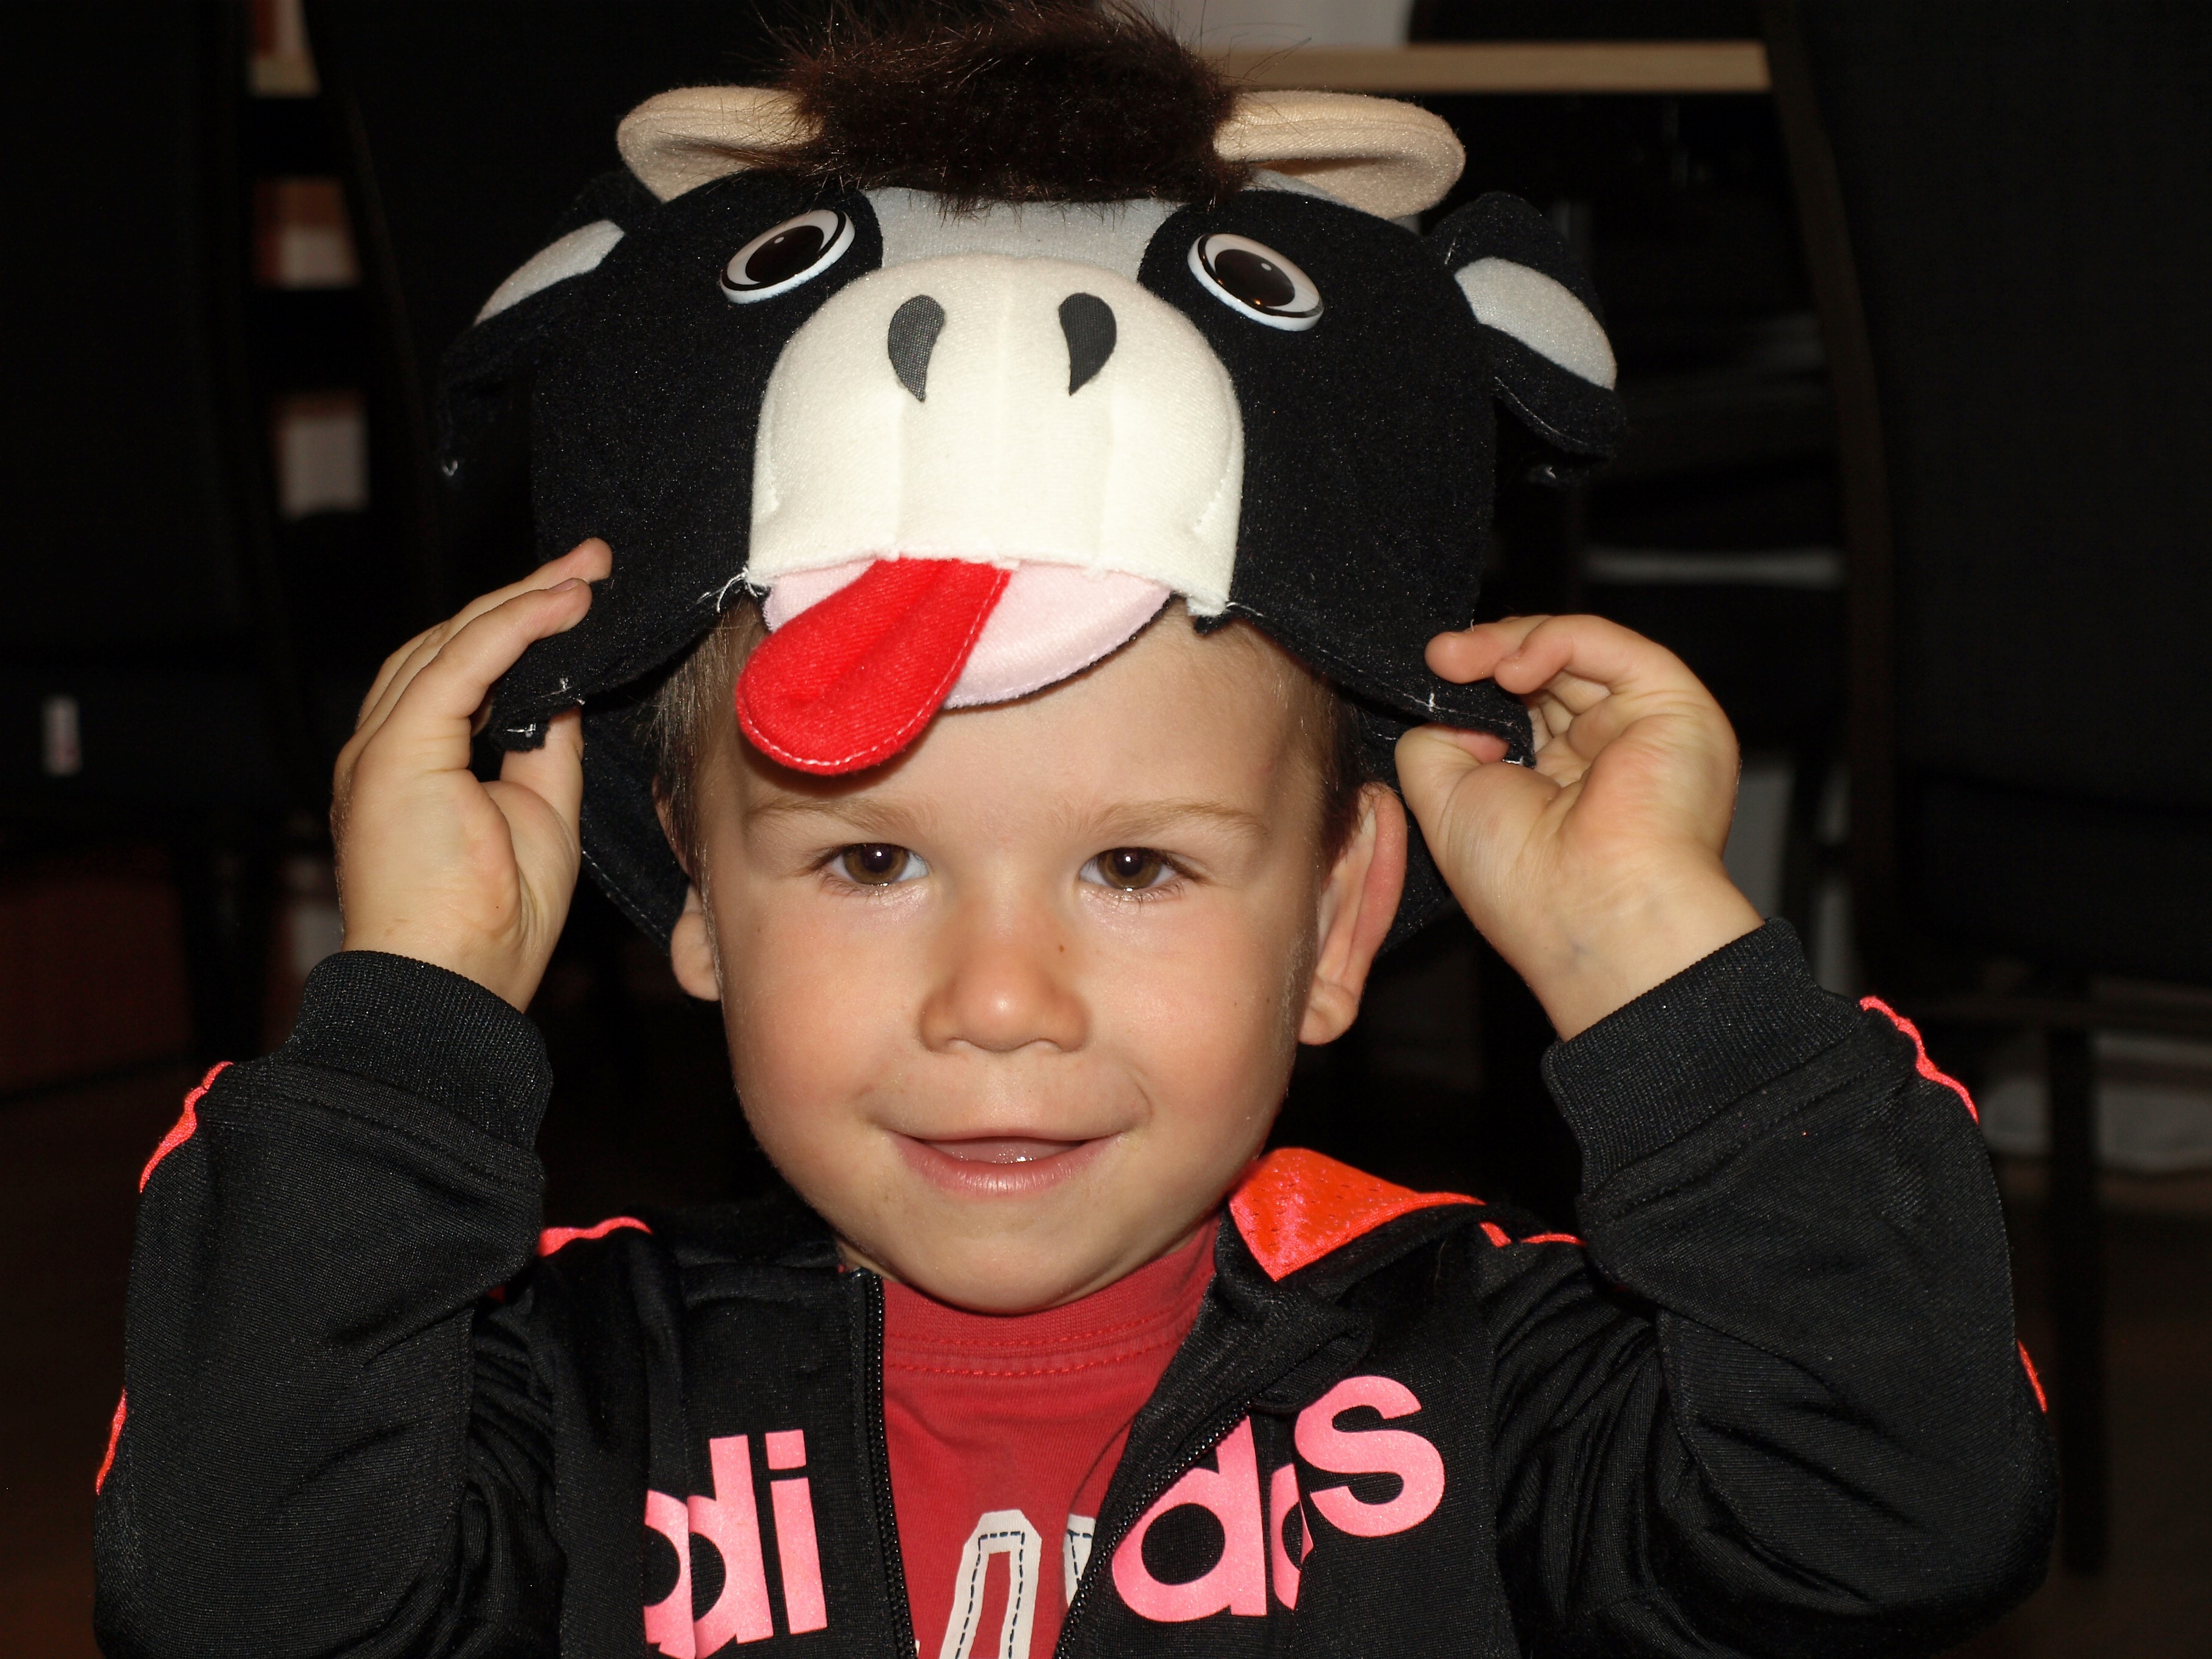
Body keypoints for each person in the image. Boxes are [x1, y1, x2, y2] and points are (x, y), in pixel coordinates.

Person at [95, 8, 2053, 1657]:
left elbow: (1902, 1517)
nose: (1002, 1000)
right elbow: (231, 1595)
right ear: (694, 888)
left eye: (1135, 867)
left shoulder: (1493, 1386)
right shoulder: (558, 1402)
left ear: (1337, 921)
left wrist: (1655, 960)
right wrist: (411, 1014)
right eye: (871, 860)